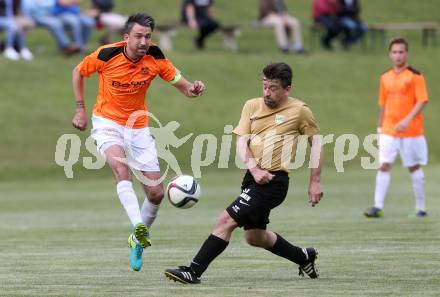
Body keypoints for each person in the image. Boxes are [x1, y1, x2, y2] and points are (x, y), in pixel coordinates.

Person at [165, 62, 324, 284]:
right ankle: (303, 256)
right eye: (265, 86)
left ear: (287, 89)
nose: (267, 92)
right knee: (255, 237)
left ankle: (193, 271)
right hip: (253, 178)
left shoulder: (300, 111)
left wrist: (315, 182)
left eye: (273, 88)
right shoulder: (251, 106)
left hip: (274, 182)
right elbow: (241, 142)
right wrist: (255, 169)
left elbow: (316, 143)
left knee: (225, 221)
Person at [71, 13, 206, 271]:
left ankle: (136, 240)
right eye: (138, 36)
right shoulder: (106, 54)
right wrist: (80, 109)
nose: (144, 41)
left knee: (156, 193)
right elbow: (78, 72)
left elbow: (182, 85)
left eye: (147, 36)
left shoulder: (155, 56)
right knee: (121, 169)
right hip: (107, 123)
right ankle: (138, 226)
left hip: (138, 127)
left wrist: (194, 89)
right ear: (126, 37)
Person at [364, 38, 429, 218]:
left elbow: (422, 100)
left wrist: (407, 120)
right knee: (383, 165)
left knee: (414, 167)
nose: (398, 55)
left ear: (406, 53)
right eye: (395, 52)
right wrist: (379, 128)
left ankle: (421, 208)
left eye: (401, 52)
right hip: (389, 130)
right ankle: (377, 207)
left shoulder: (415, 76)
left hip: (411, 131)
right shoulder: (385, 77)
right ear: (390, 54)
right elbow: (382, 104)